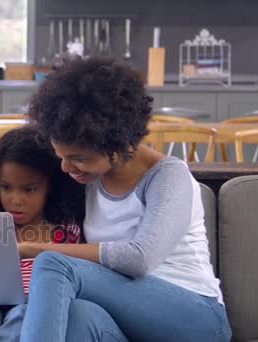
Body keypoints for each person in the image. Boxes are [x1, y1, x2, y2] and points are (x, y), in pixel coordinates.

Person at [17, 57, 232, 341]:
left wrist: (31, 248)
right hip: (128, 319)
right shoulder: (87, 175)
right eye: (61, 157)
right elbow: (13, 173)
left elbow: (138, 258)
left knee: (53, 263)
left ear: (120, 144)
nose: (66, 168)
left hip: (197, 317)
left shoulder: (168, 177)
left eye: (78, 158)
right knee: (79, 315)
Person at [0, 125, 86, 342]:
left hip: (33, 304)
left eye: (29, 189)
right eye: (6, 187)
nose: (16, 200)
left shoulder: (66, 230)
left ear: (50, 186)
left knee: (22, 317)